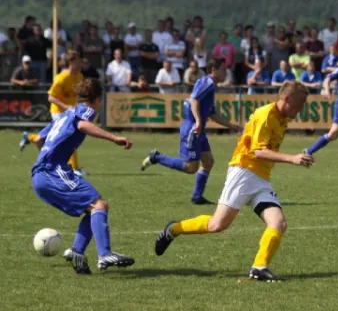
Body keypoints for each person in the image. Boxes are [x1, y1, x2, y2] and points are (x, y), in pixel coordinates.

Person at [154, 81, 313, 282]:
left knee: (278, 223)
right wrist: (292, 158)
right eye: (300, 104)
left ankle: (259, 267)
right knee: (216, 225)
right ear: (287, 99)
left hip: (261, 178)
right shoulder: (266, 115)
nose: (301, 109)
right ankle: (173, 229)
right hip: (244, 172)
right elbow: (258, 151)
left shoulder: (282, 118)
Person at [31, 78, 135, 274]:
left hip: (43, 174)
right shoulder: (85, 111)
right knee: (99, 205)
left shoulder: (64, 114)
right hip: (51, 171)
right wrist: (115, 138)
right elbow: (83, 126)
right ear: (97, 99)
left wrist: (47, 156)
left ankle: (76, 252)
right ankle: (104, 254)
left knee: (93, 208)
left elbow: (38, 139)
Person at [140, 59, 240, 204]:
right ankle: (157, 157)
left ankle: (197, 196)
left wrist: (231, 125)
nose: (226, 72)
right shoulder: (208, 82)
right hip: (193, 128)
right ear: (213, 69)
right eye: (223, 69)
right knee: (190, 167)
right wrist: (199, 121)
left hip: (198, 128)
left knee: (208, 162)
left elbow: (212, 113)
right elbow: (194, 100)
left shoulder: (210, 86)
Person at [19, 51, 87, 176]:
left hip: (70, 113)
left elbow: (80, 94)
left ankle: (29, 137)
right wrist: (67, 106)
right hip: (58, 112)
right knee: (66, 138)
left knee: (58, 138)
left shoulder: (79, 76)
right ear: (71, 62)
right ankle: (72, 168)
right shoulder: (61, 78)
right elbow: (51, 97)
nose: (80, 62)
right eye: (78, 60)